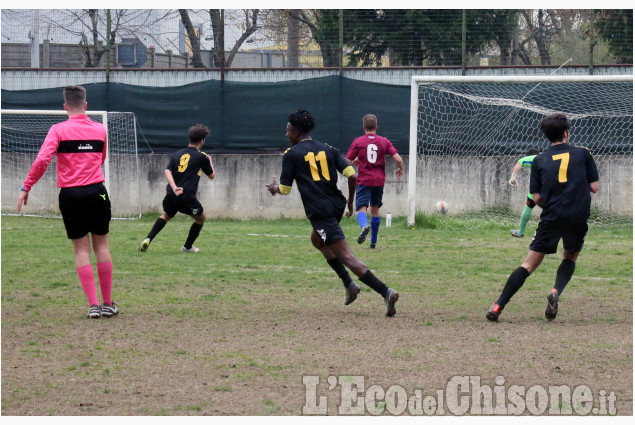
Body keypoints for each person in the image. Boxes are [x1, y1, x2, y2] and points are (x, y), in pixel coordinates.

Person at [266, 109, 399, 316]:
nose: (286, 134)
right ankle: (349, 285)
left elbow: (284, 189)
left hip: (320, 211)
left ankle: (385, 291)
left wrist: (274, 188)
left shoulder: (291, 155)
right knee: (317, 240)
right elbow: (352, 175)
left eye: (288, 130)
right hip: (335, 205)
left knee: (346, 255)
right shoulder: (328, 149)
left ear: (297, 131)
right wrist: (350, 202)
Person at [487, 113, 599, 322]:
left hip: (551, 215)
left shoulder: (539, 160)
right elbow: (594, 187)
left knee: (528, 264)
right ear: (566, 133)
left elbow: (536, 198)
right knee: (569, 256)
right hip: (577, 215)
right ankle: (555, 292)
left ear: (547, 136)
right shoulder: (583, 154)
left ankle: (497, 306)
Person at [17, 85, 117, 319]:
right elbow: (100, 159)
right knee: (102, 246)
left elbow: (42, 160)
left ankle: (93, 306)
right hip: (97, 192)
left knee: (81, 250)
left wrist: (26, 187)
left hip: (70, 195)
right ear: (85, 105)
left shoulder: (58, 130)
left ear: (65, 107)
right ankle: (108, 304)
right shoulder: (100, 129)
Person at [138, 124, 215, 253]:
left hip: (172, 194)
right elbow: (212, 175)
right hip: (186, 196)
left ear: (189, 139)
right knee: (201, 218)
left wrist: (174, 187)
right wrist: (210, 160)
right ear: (202, 141)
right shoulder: (202, 157)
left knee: (167, 215)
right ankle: (187, 247)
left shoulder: (177, 154)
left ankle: (148, 239)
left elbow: (167, 171)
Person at [346, 114, 403, 248]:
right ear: (376, 127)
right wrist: (400, 169)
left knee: (361, 208)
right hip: (378, 181)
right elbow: (399, 159)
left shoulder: (358, 141)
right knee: (375, 211)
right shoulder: (384, 141)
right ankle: (373, 242)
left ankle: (365, 226)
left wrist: (355, 163)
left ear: (363, 127)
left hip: (364, 180)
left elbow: (347, 162)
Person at [508, 148, 540, 238]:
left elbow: (520, 161)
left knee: (529, 207)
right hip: (553, 188)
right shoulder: (549, 157)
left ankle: (521, 232)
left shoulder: (536, 158)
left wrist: (513, 176)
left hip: (537, 189)